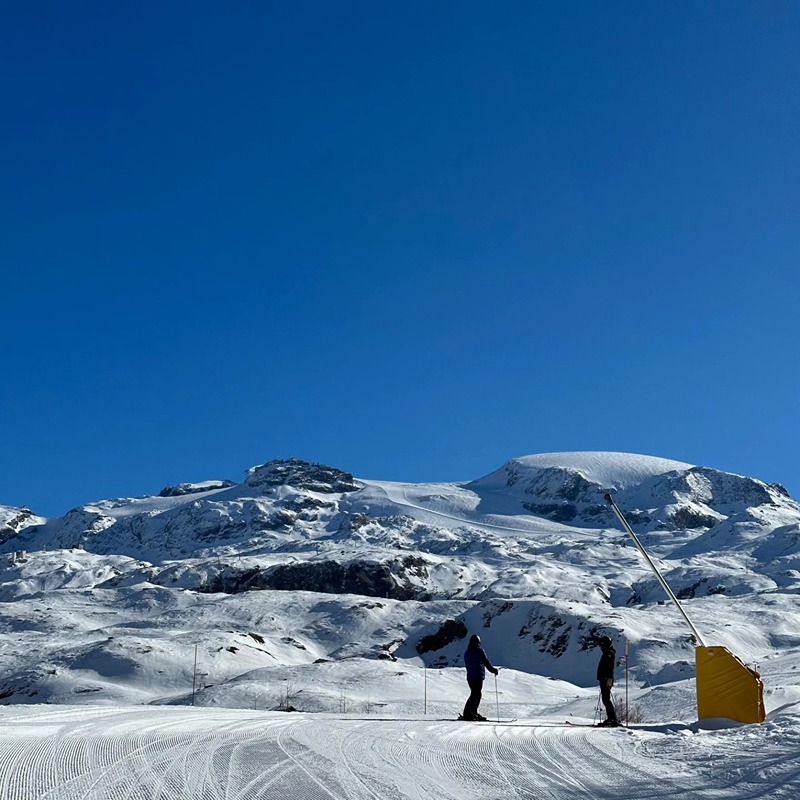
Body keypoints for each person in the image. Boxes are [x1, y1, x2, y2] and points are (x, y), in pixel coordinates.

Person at [459, 634, 498, 721]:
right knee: (476, 694)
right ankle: (468, 714)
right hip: (478, 676)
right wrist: (493, 670)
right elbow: (485, 661)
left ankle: (472, 713)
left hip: (470, 677)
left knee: (475, 694)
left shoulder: (467, 652)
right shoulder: (479, 651)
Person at [596, 635, 620, 726]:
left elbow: (609, 668)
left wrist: (607, 678)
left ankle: (612, 719)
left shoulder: (609, 653)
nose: (600, 647)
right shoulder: (607, 653)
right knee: (606, 699)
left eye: (601, 645)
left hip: (606, 679)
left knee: (606, 699)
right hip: (605, 678)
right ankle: (612, 718)